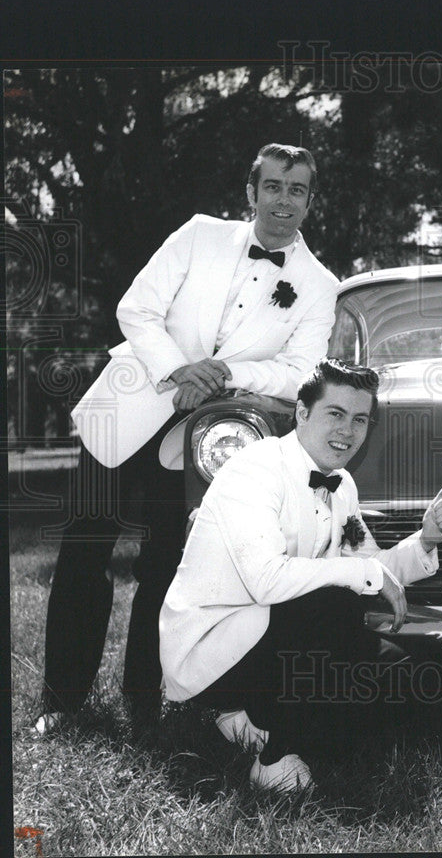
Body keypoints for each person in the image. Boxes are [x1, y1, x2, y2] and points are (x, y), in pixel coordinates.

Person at [36, 144, 340, 733]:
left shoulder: (319, 284)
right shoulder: (199, 234)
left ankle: (143, 699)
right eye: (273, 186)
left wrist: (226, 375)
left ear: (308, 201)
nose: (284, 200)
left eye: (297, 190)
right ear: (251, 193)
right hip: (123, 412)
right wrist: (179, 368)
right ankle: (61, 703)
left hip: (202, 443)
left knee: (165, 569)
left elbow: (301, 372)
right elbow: (137, 309)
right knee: (83, 557)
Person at [159, 359, 442, 792]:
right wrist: (361, 574)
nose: (348, 431)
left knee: (400, 677)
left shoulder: (342, 483)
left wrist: (425, 541)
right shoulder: (255, 468)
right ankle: (272, 757)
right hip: (213, 647)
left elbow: (370, 564)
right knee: (333, 603)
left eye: (360, 419)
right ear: (301, 412)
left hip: (275, 631)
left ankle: (248, 719)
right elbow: (268, 579)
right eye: (334, 414)